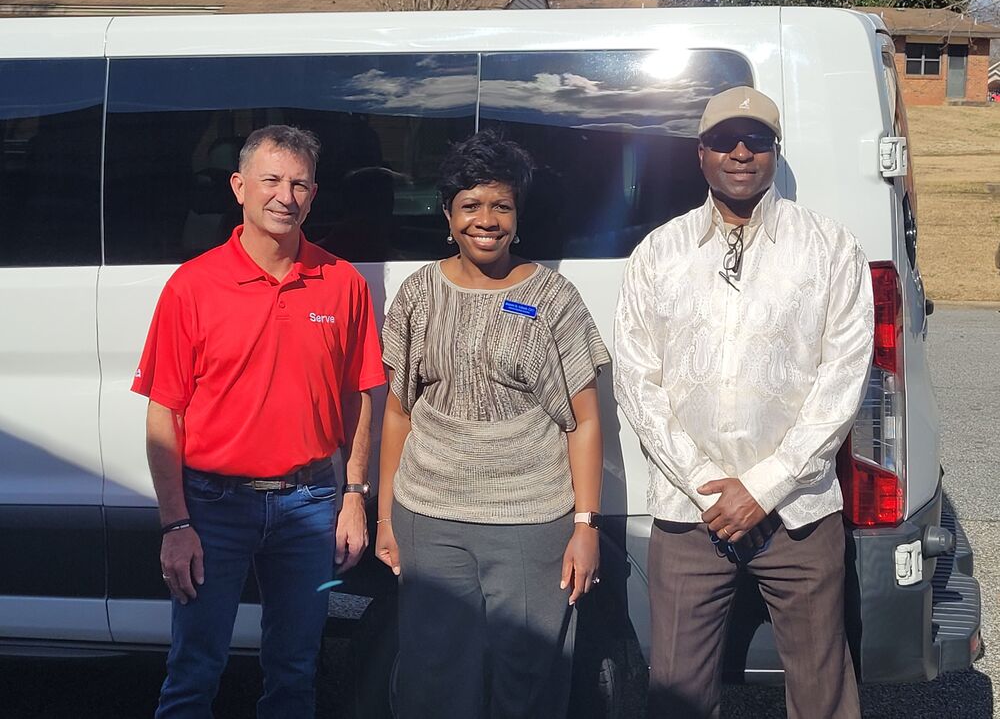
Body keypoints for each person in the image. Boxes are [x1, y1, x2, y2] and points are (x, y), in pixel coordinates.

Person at [614, 87, 874, 719]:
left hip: (800, 510)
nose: (740, 153)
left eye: (756, 141)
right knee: (676, 690)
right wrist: (708, 483)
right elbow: (636, 380)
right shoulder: (658, 253)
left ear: (774, 151)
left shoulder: (830, 248)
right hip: (690, 511)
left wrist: (764, 485)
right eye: (724, 141)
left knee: (822, 690)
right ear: (700, 154)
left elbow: (843, 379)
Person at [132, 125, 386, 719]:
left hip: (309, 502)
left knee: (296, 672)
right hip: (212, 505)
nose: (285, 196)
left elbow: (361, 397)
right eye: (271, 180)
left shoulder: (342, 283)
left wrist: (353, 496)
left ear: (314, 194)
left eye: (299, 184)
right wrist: (175, 525)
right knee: (194, 671)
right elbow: (163, 412)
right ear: (238, 187)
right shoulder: (192, 286)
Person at [374, 130, 610, 719]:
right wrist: (384, 518)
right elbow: (397, 414)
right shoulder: (417, 294)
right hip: (430, 520)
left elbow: (583, 423)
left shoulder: (553, 297)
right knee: (434, 681)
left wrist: (586, 525)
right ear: (448, 215)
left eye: (501, 206)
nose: (487, 220)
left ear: (518, 215)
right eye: (471, 205)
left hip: (531, 523)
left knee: (528, 683)